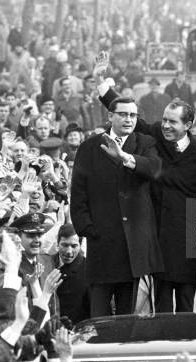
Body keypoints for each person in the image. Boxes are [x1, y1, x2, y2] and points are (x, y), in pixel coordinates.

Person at [94, 52, 196, 313]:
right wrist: (101, 82)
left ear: (189, 124)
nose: (166, 126)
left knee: (185, 300)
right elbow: (127, 113)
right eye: (165, 120)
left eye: (173, 122)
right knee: (161, 299)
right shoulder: (157, 134)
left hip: (188, 231)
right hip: (157, 228)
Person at [71, 95, 164, 317]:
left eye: (133, 115)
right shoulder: (90, 147)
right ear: (110, 116)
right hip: (102, 244)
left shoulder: (145, 143)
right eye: (123, 114)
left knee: (128, 315)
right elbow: (79, 192)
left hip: (132, 248)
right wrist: (88, 229)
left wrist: (124, 157)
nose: (128, 119)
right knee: (99, 314)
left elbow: (154, 169)